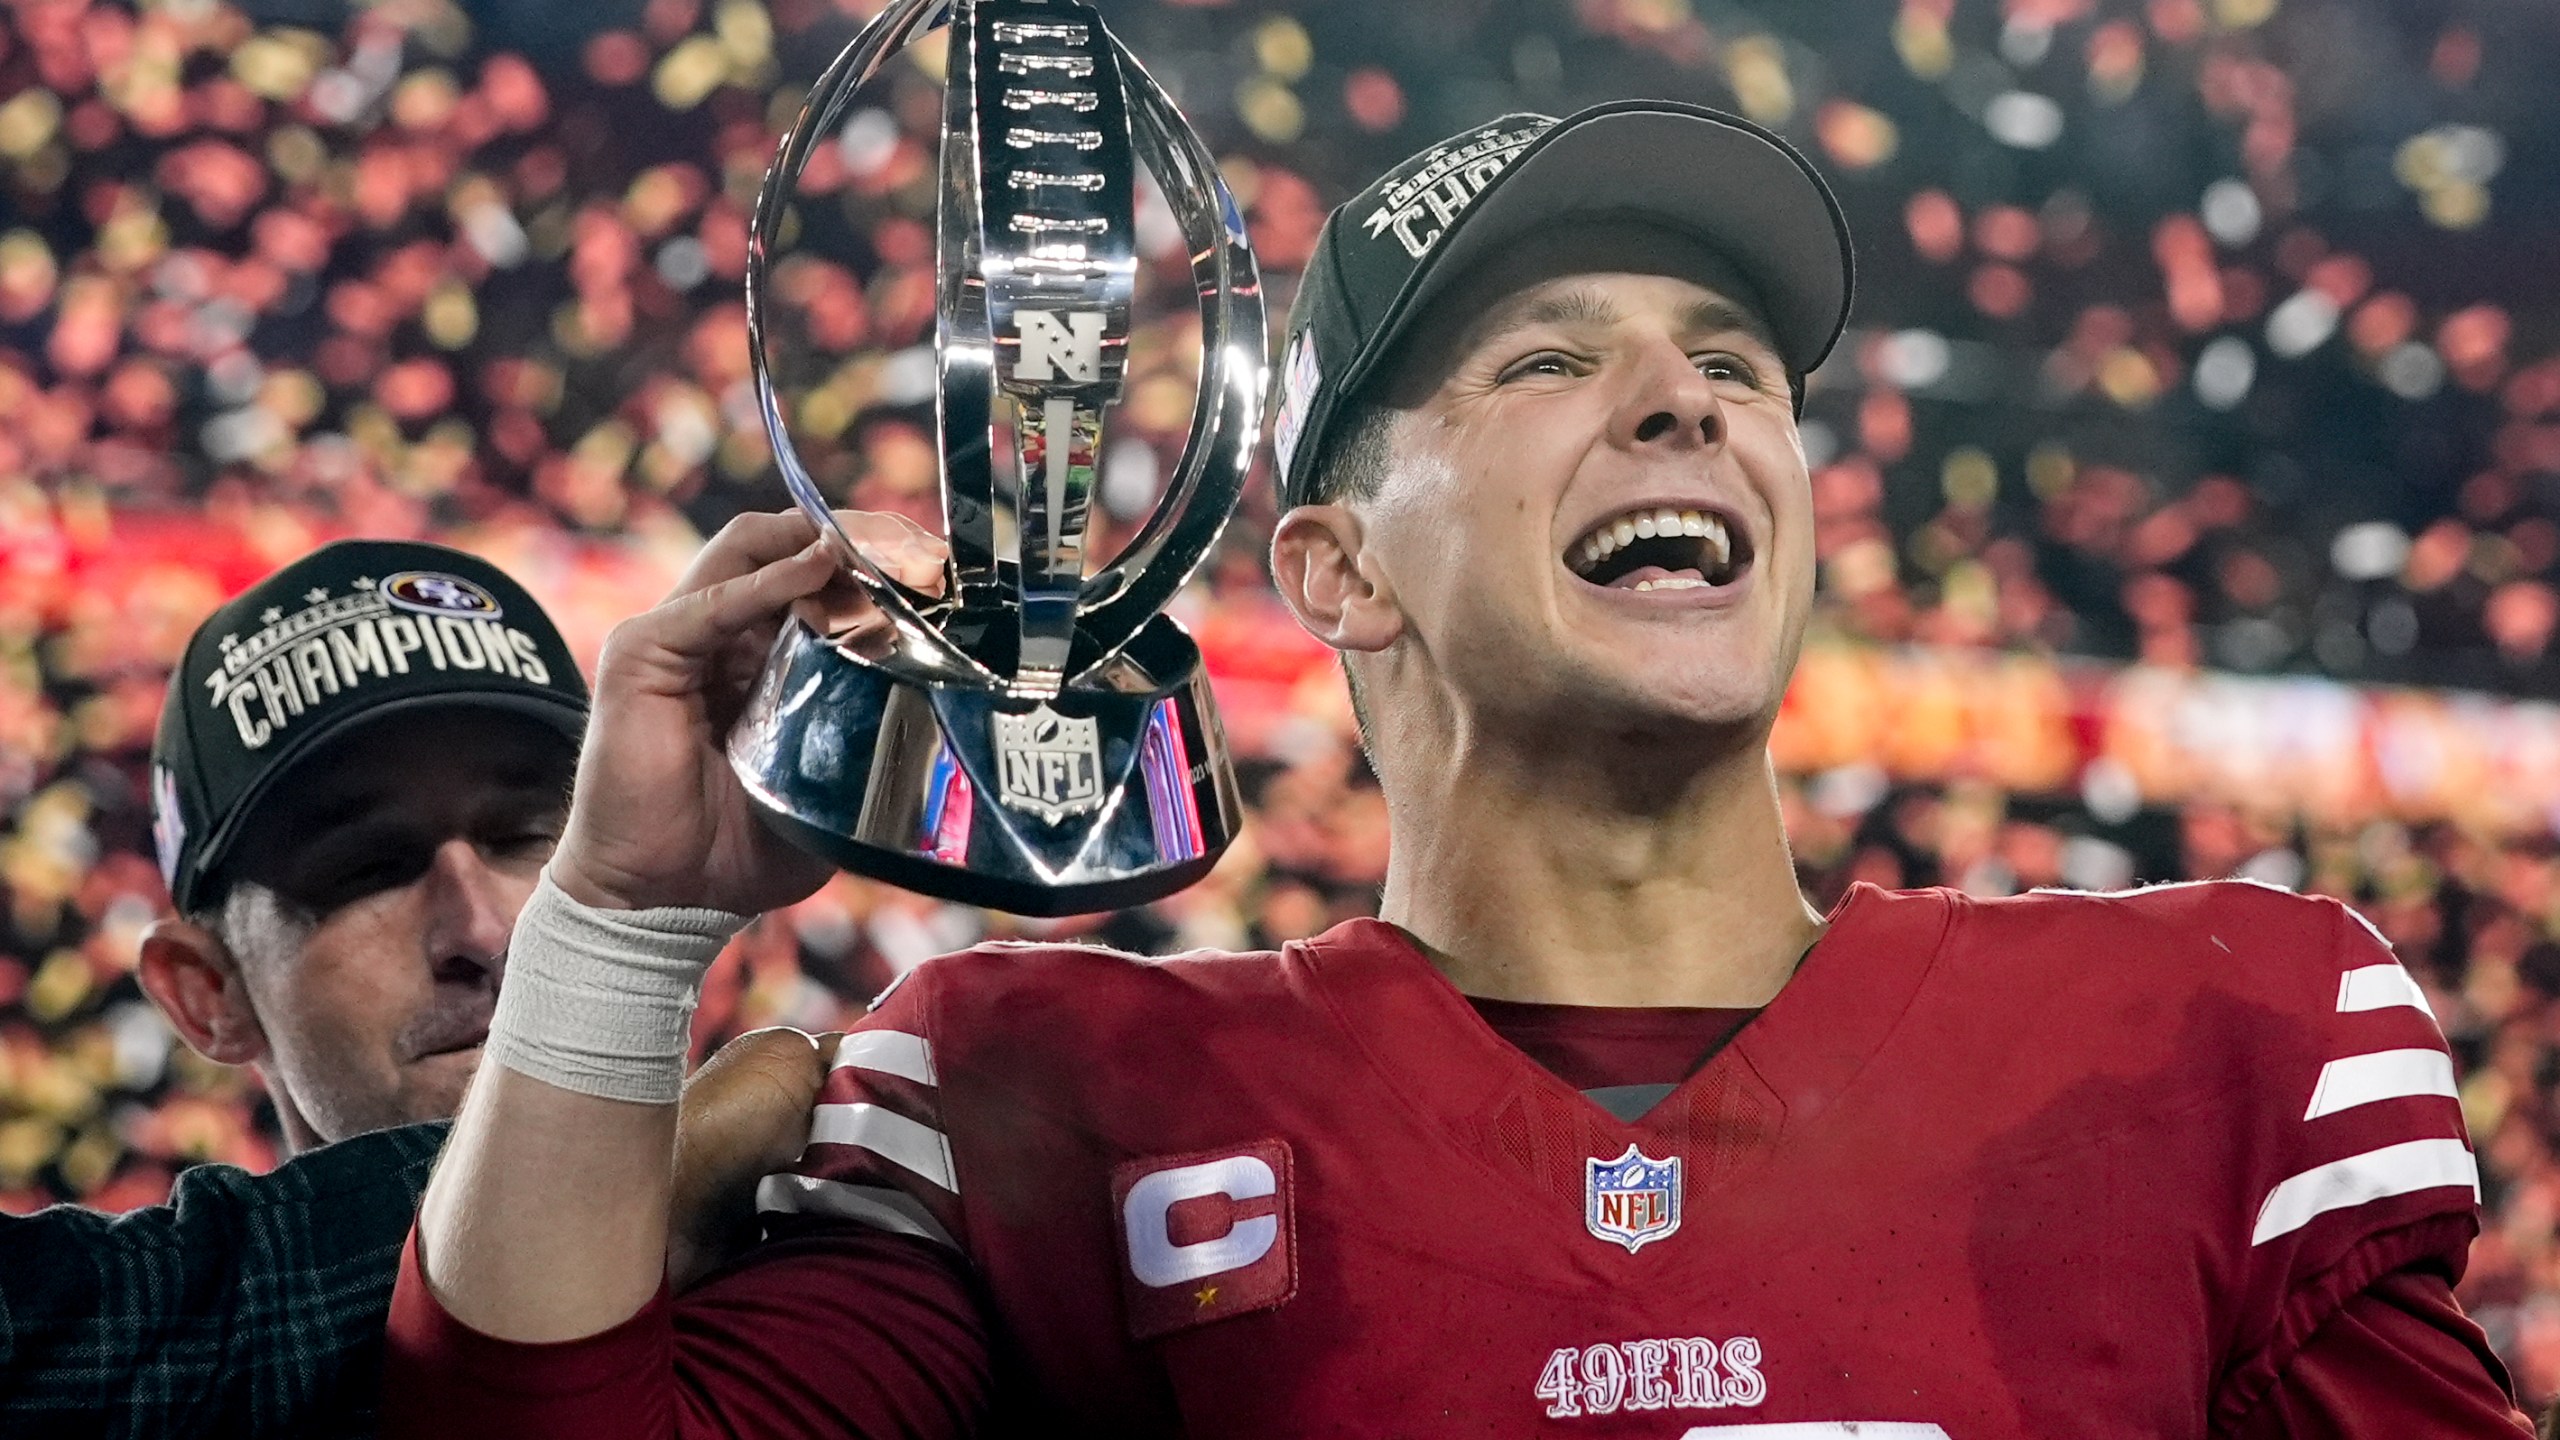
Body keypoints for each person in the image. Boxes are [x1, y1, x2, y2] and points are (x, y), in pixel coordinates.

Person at [382, 104, 2533, 1437]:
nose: (1683, 405)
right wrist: (623, 927)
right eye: (1546, 363)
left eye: (1730, 370)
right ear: (1333, 568)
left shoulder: (2220, 1042)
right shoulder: (1036, 1088)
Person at [0, 540, 835, 1439]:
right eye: (368, 868)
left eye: (530, 835)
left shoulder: (857, 1283)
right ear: (207, 993)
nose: (481, 930)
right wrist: (629, 1174)